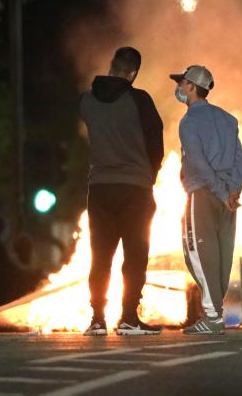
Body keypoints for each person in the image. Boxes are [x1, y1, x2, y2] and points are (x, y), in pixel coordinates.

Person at [79, 46, 164, 336]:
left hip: (100, 187)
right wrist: (149, 175)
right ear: (133, 72)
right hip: (135, 188)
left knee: (100, 254)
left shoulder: (86, 100)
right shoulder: (139, 100)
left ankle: (98, 318)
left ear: (111, 65)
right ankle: (128, 316)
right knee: (135, 254)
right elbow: (156, 141)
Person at [172, 64, 242, 335]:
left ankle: (213, 316)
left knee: (198, 254)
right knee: (222, 254)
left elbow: (198, 163)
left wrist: (220, 191)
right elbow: (241, 159)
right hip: (228, 198)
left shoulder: (189, 121)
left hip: (204, 194)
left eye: (182, 83)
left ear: (192, 87)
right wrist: (233, 191)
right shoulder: (228, 119)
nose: (178, 88)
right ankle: (216, 312)